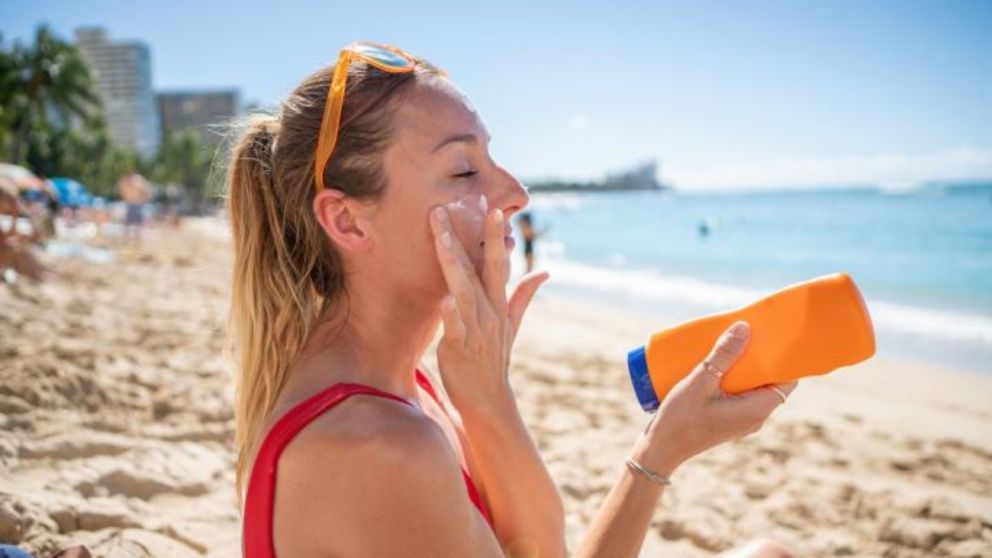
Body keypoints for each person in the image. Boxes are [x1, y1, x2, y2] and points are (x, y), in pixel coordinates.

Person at [227, 41, 797, 557]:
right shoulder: (378, 446)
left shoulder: (409, 386)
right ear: (346, 220)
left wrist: (659, 446)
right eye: (465, 170)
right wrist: (655, 453)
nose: (515, 194)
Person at [117, 170, 150, 244]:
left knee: (136, 223)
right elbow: (122, 189)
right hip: (132, 203)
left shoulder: (137, 180)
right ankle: (129, 239)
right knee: (129, 223)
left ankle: (136, 239)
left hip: (136, 203)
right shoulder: (129, 181)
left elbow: (145, 190)